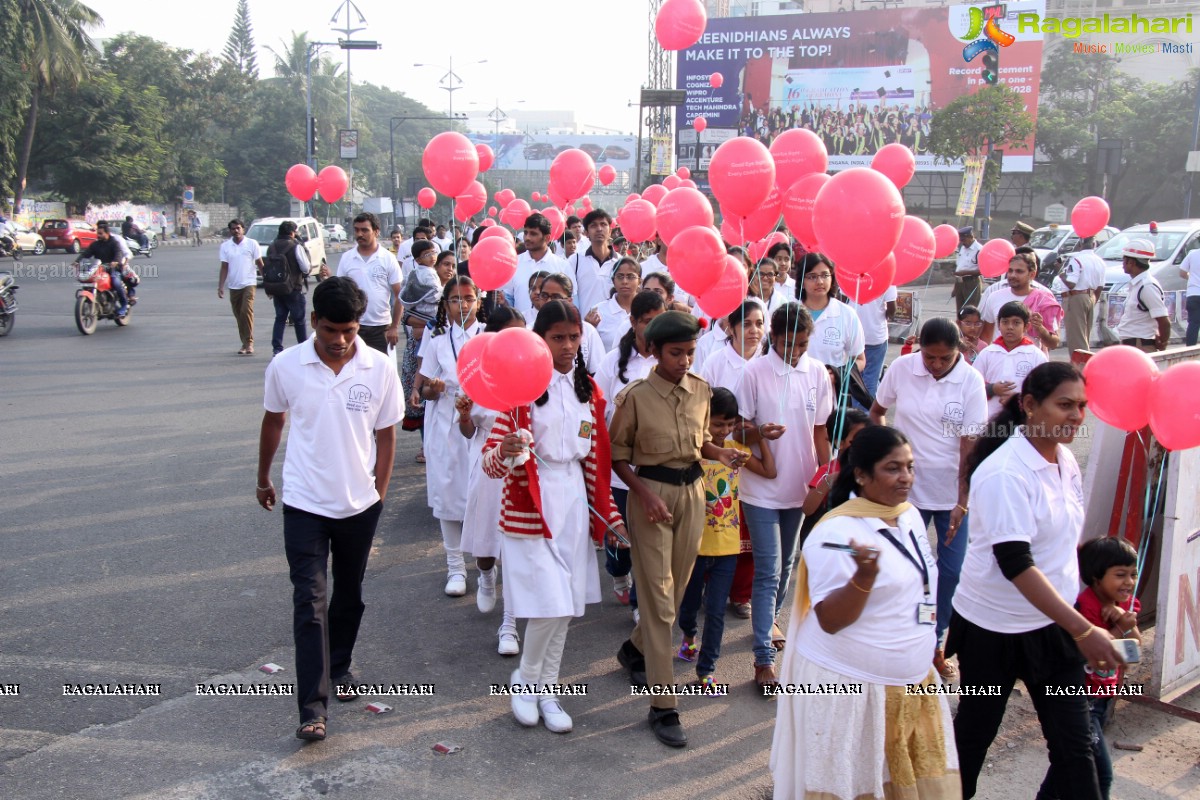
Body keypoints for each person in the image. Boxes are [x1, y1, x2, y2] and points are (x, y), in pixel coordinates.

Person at [949, 362, 1124, 800]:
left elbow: (1062, 549)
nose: (1076, 416)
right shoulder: (1006, 473)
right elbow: (1016, 563)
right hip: (992, 632)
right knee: (973, 737)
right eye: (1065, 405)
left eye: (1082, 406)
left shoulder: (1064, 461)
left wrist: (1099, 605)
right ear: (1029, 405)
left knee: (1076, 750)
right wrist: (1083, 628)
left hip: (1052, 628)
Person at [771, 425, 961, 800]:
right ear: (861, 474)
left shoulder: (908, 516)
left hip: (911, 685)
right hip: (851, 692)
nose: (905, 477)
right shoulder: (835, 532)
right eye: (893, 468)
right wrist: (863, 577)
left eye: (909, 466)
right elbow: (831, 620)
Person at [256, 276, 402, 743]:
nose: (340, 341)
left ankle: (339, 665)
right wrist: (263, 477)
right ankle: (312, 708)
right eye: (330, 330)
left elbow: (386, 434)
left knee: (349, 594)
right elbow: (274, 420)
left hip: (359, 504)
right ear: (313, 321)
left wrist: (378, 493)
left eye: (349, 331)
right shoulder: (286, 366)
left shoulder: (379, 368)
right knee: (310, 602)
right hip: (303, 503)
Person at [483, 300, 627, 734]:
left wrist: (611, 518)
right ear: (540, 340)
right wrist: (505, 452)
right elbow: (490, 465)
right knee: (551, 600)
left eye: (573, 336)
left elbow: (595, 465)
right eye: (557, 337)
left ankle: (546, 687)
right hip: (530, 506)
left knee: (564, 607)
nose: (567, 345)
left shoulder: (591, 391)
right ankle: (527, 681)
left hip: (574, 507)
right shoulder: (519, 391)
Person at [610, 311, 744, 747]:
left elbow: (700, 440)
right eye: (675, 352)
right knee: (661, 601)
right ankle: (663, 706)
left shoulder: (702, 391)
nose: (685, 360)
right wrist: (643, 496)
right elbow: (618, 457)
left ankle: (634, 649)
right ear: (652, 350)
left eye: (690, 352)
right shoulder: (635, 397)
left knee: (679, 588)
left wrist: (720, 455)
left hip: (693, 494)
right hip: (650, 497)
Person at [871, 317, 988, 680]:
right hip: (907, 492)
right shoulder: (903, 368)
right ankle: (900, 636)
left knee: (950, 571)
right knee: (905, 567)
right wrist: (887, 456)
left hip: (952, 492)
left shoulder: (971, 381)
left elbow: (970, 446)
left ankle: (934, 640)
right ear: (919, 347)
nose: (935, 365)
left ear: (959, 352)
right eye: (929, 357)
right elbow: (878, 412)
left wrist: (962, 499)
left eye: (944, 358)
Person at [738, 303, 833, 690]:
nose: (796, 352)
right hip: (760, 488)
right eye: (788, 344)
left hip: (801, 490)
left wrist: (828, 478)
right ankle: (763, 659)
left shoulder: (817, 373)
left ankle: (770, 621)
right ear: (773, 337)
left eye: (803, 344)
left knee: (790, 563)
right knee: (769, 569)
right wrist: (760, 433)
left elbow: (821, 432)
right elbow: (736, 432)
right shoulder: (754, 372)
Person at [676, 388, 775, 689]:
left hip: (727, 547)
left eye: (730, 424)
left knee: (717, 611)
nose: (724, 431)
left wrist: (759, 440)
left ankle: (707, 669)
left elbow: (770, 471)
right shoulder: (693, 451)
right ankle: (689, 636)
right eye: (718, 424)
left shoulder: (735, 449)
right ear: (703, 420)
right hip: (694, 544)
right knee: (690, 605)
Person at [1037, 537, 1141, 800]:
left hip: (1102, 700)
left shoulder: (1126, 604)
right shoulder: (1083, 608)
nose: (1128, 582)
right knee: (1100, 774)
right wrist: (1118, 628)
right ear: (1095, 577)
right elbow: (1098, 659)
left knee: (1065, 765)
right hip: (1080, 701)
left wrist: (1126, 623)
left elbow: (1133, 653)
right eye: (1120, 575)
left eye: (1133, 574)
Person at [458, 306, 526, 655]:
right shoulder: (478, 374)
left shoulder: (532, 372)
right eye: (511, 334)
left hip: (523, 471)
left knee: (514, 549)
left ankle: (509, 625)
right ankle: (485, 576)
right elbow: (469, 432)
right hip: (487, 469)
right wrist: (465, 416)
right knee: (486, 547)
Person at [594, 291, 667, 616]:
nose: (653, 329)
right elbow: (601, 416)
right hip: (619, 472)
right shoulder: (612, 363)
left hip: (658, 470)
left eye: (658, 321)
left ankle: (641, 601)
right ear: (634, 322)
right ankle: (619, 575)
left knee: (649, 544)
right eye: (647, 322)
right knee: (621, 545)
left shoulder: (669, 359)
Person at [414, 276, 487, 596]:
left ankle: (487, 565)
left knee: (483, 493)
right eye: (456, 299)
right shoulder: (438, 339)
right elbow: (425, 389)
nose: (463, 305)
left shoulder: (489, 336)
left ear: (479, 302)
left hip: (482, 421)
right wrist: (434, 388)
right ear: (446, 305)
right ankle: (455, 566)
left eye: (469, 298)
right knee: (448, 493)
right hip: (446, 422)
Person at [331, 212, 403, 355]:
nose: (360, 234)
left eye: (364, 230)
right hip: (352, 325)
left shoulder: (387, 258)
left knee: (380, 372)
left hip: (381, 327)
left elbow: (399, 295)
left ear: (376, 232)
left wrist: (394, 327)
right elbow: (340, 292)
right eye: (357, 230)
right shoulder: (347, 258)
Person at [973, 301, 1049, 419]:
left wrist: (1018, 399)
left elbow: (1045, 390)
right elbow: (972, 386)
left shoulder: (1036, 356)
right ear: (998, 325)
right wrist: (992, 389)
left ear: (1026, 326)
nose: (1010, 327)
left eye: (1016, 323)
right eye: (1005, 322)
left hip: (1023, 421)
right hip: (989, 420)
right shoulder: (987, 354)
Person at [979, 252, 1062, 354]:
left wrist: (1040, 329)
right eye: (1010, 271)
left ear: (1032, 274)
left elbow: (1054, 343)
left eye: (1019, 271)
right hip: (1000, 360)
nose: (1013, 275)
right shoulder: (994, 297)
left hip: (1031, 362)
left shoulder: (1044, 300)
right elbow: (986, 337)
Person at [797, 252, 866, 372]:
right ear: (802, 281)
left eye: (825, 275)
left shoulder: (847, 315)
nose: (820, 282)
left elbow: (860, 360)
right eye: (812, 276)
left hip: (831, 389)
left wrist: (838, 375)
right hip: (795, 388)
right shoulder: (789, 312)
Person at [503, 213, 569, 318]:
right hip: (522, 328)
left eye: (533, 234)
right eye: (525, 233)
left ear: (547, 238)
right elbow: (508, 298)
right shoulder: (514, 263)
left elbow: (571, 302)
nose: (527, 237)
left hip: (554, 328)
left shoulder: (562, 265)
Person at [1115, 238, 1170, 352]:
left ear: (1132, 262)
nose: (1122, 264)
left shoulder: (1147, 286)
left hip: (1140, 346)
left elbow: (1163, 320)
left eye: (1124, 260)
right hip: (1133, 345)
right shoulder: (1139, 284)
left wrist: (1163, 342)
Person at [218, 219, 264, 355]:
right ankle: (244, 343)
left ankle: (249, 343)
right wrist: (220, 286)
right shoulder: (225, 246)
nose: (236, 231)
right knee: (239, 315)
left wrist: (269, 283)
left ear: (243, 229)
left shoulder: (252, 244)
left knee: (246, 311)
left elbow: (260, 264)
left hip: (249, 283)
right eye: (233, 229)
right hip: (234, 285)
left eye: (238, 228)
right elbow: (224, 267)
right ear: (230, 231)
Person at [265, 220, 311, 356]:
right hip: (293, 288)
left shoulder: (271, 246)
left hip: (276, 288)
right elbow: (305, 267)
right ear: (292, 232)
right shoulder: (295, 246)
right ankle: (303, 347)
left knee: (280, 318)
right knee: (299, 320)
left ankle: (277, 348)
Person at [849, 284, 898, 400]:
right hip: (875, 335)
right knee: (870, 379)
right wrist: (879, 317)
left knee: (856, 377)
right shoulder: (887, 279)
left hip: (853, 334)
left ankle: (869, 409)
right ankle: (865, 412)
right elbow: (892, 310)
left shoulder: (851, 275)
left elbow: (841, 301)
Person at [74, 221, 131, 316]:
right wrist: (77, 261)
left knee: (116, 282)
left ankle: (124, 305)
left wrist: (116, 261)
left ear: (107, 233)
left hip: (113, 269)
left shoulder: (114, 243)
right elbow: (86, 253)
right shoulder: (95, 244)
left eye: (100, 233)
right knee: (88, 281)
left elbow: (119, 253)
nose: (98, 235)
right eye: (97, 233)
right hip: (99, 268)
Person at [1060, 238, 1107, 353]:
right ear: (1095, 244)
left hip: (1076, 297)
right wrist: (1093, 300)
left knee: (1076, 337)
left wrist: (1061, 275)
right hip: (1091, 296)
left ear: (1080, 243)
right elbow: (1100, 286)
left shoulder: (1076, 260)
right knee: (1084, 334)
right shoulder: (1100, 261)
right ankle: (1084, 363)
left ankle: (1081, 366)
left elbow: (1071, 284)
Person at [584, 255, 641, 351]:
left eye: (630, 277)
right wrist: (588, 327)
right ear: (613, 280)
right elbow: (587, 347)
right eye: (620, 276)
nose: (625, 281)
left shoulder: (646, 310)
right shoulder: (598, 311)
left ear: (640, 281)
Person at [572, 209, 621, 316]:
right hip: (585, 326)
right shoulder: (575, 260)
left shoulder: (621, 262)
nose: (599, 229)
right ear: (586, 233)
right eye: (593, 225)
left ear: (610, 230)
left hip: (614, 327)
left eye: (603, 224)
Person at [953, 226, 983, 314]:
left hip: (971, 282)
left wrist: (965, 272)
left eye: (964, 240)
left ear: (970, 237)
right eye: (961, 240)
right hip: (960, 281)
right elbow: (960, 266)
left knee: (970, 310)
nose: (962, 243)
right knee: (960, 311)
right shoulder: (963, 248)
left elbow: (982, 270)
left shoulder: (979, 250)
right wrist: (955, 288)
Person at [1181, 241, 1200, 347]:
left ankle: (1189, 350)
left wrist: (1192, 278)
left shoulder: (1192, 254)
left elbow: (1182, 273)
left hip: (1193, 294)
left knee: (1193, 323)